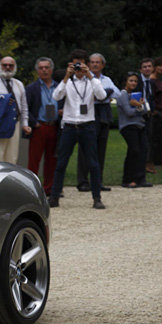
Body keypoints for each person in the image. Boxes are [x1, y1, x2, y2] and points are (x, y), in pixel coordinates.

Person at [48, 50, 107, 209]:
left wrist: (90, 76)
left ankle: (96, 198)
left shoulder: (91, 81)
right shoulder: (67, 81)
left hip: (87, 126)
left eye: (81, 64)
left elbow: (101, 96)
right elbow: (56, 96)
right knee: (61, 163)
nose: (79, 67)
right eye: (76, 64)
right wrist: (66, 76)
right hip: (69, 126)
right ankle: (54, 197)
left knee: (93, 164)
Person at [76, 53, 117, 192]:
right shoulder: (82, 79)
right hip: (88, 114)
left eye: (97, 62)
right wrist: (103, 95)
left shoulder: (107, 80)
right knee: (85, 148)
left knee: (100, 149)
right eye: (92, 62)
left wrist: (102, 95)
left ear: (102, 65)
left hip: (103, 114)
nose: (94, 65)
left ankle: (97, 182)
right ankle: (82, 181)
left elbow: (115, 93)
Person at [24, 57, 61, 196]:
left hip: (55, 126)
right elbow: (25, 108)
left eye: (47, 67)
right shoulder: (31, 88)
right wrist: (35, 123)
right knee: (34, 160)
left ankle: (48, 188)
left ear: (51, 70)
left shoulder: (59, 86)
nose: (44, 70)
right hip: (39, 127)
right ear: (37, 71)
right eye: (41, 68)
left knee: (52, 160)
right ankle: (32, 189)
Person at [117, 72, 151, 188]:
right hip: (128, 126)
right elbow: (129, 112)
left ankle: (140, 178)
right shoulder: (123, 95)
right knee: (134, 150)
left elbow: (146, 110)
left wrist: (139, 106)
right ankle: (127, 179)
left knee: (143, 150)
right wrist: (138, 107)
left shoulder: (137, 94)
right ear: (125, 81)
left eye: (135, 81)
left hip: (140, 125)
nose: (133, 83)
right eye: (131, 80)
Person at [139, 58, 162, 174]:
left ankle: (148, 163)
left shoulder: (152, 82)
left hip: (150, 115)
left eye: (149, 66)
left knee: (150, 139)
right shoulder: (138, 81)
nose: (147, 68)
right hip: (139, 114)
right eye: (145, 67)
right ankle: (141, 164)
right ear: (141, 69)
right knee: (141, 141)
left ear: (153, 68)